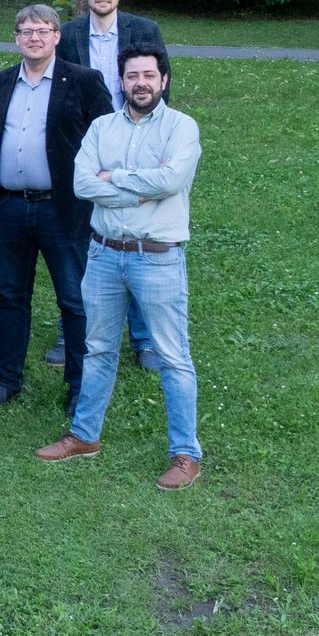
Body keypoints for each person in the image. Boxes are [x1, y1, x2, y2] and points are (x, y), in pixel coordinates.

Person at [37, 47, 204, 490]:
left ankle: (186, 454)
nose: (141, 83)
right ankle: (85, 436)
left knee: (173, 357)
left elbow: (170, 181)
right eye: (133, 76)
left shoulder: (181, 127)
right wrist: (139, 186)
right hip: (104, 255)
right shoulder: (100, 127)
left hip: (158, 256)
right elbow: (81, 183)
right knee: (98, 350)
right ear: (122, 82)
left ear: (163, 80)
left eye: (149, 74)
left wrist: (114, 177)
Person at [0, 6, 113, 412]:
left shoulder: (85, 81)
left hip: (63, 208)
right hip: (8, 208)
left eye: (42, 30)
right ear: (16, 38)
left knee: (73, 299)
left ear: (57, 35)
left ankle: (78, 384)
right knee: (11, 297)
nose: (33, 37)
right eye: (24, 31)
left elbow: (106, 136)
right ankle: (8, 380)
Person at [55, 0, 170, 371]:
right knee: (78, 238)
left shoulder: (144, 31)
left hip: (134, 143)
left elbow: (160, 88)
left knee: (133, 237)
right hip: (83, 146)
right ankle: (72, 327)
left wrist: (155, 145)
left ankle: (144, 339)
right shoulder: (66, 35)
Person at [58, 0, 172, 112]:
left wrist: (148, 122)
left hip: (134, 124)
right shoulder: (66, 34)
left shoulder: (145, 30)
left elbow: (162, 79)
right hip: (84, 128)